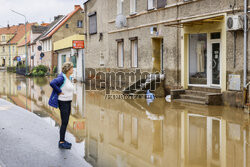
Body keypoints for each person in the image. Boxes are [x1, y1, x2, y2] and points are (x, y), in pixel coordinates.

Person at [49, 62, 74, 149]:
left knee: (66, 122)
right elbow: (52, 83)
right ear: (68, 69)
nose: (73, 69)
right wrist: (59, 91)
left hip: (68, 102)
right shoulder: (61, 77)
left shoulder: (68, 77)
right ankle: (61, 142)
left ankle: (63, 139)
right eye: (72, 68)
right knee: (64, 122)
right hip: (63, 102)